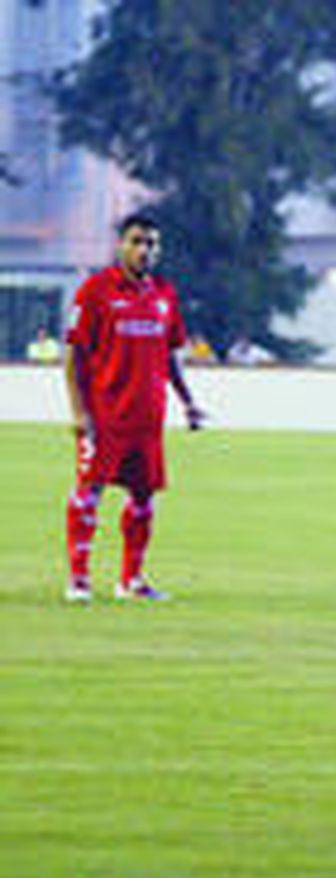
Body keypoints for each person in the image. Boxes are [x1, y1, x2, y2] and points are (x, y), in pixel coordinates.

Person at [63, 212, 205, 603]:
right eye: (137, 241)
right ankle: (78, 579)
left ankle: (132, 580)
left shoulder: (164, 294)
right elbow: (74, 354)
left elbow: (169, 356)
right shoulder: (95, 291)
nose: (144, 250)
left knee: (143, 497)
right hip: (104, 415)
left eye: (151, 244)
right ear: (120, 245)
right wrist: (79, 412)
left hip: (147, 418)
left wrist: (188, 402)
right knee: (88, 492)